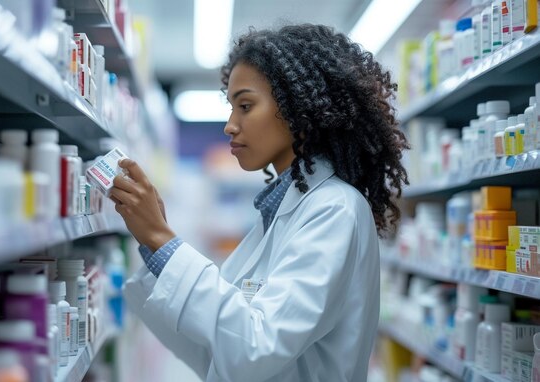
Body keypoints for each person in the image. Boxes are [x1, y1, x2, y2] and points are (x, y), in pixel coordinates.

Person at [111, 23, 409, 382]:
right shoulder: (281, 213)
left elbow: (254, 350)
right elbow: (214, 349)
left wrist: (163, 239)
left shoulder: (335, 210)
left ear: (297, 107)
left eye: (246, 106)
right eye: (231, 107)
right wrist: (154, 245)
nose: (230, 125)